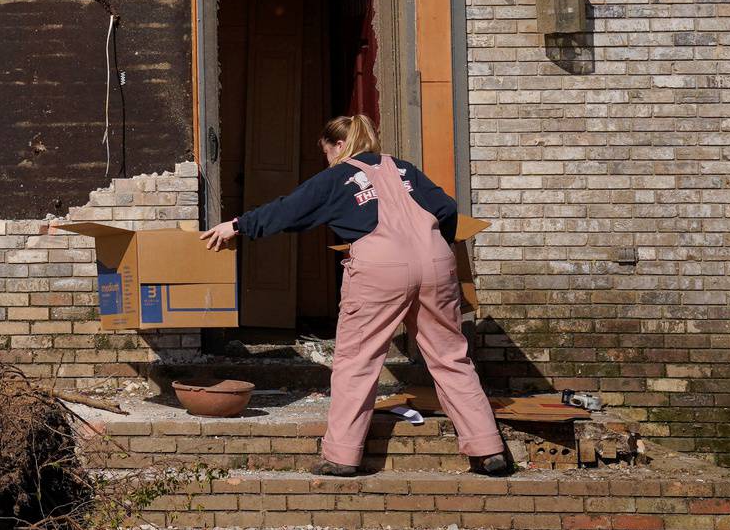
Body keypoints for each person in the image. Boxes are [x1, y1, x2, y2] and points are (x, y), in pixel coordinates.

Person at [199, 114, 511, 478]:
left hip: (379, 268)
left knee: (357, 360)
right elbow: (446, 210)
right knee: (450, 357)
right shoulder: (405, 170)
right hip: (435, 263)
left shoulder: (339, 175)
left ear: (339, 146)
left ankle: (343, 455)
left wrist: (236, 226)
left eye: (327, 151)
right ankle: (488, 448)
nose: (328, 159)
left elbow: (289, 209)